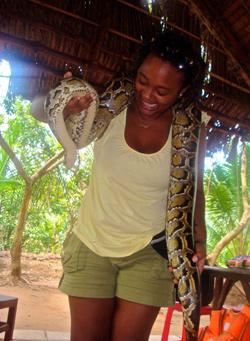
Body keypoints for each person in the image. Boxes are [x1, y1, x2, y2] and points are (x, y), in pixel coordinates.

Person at [34, 29, 208, 341]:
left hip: (147, 252)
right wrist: (65, 106)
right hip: (91, 244)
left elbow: (193, 185)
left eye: (162, 91)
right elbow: (37, 110)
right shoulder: (107, 106)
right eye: (142, 80)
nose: (147, 95)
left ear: (182, 93)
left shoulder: (193, 126)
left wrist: (200, 240)